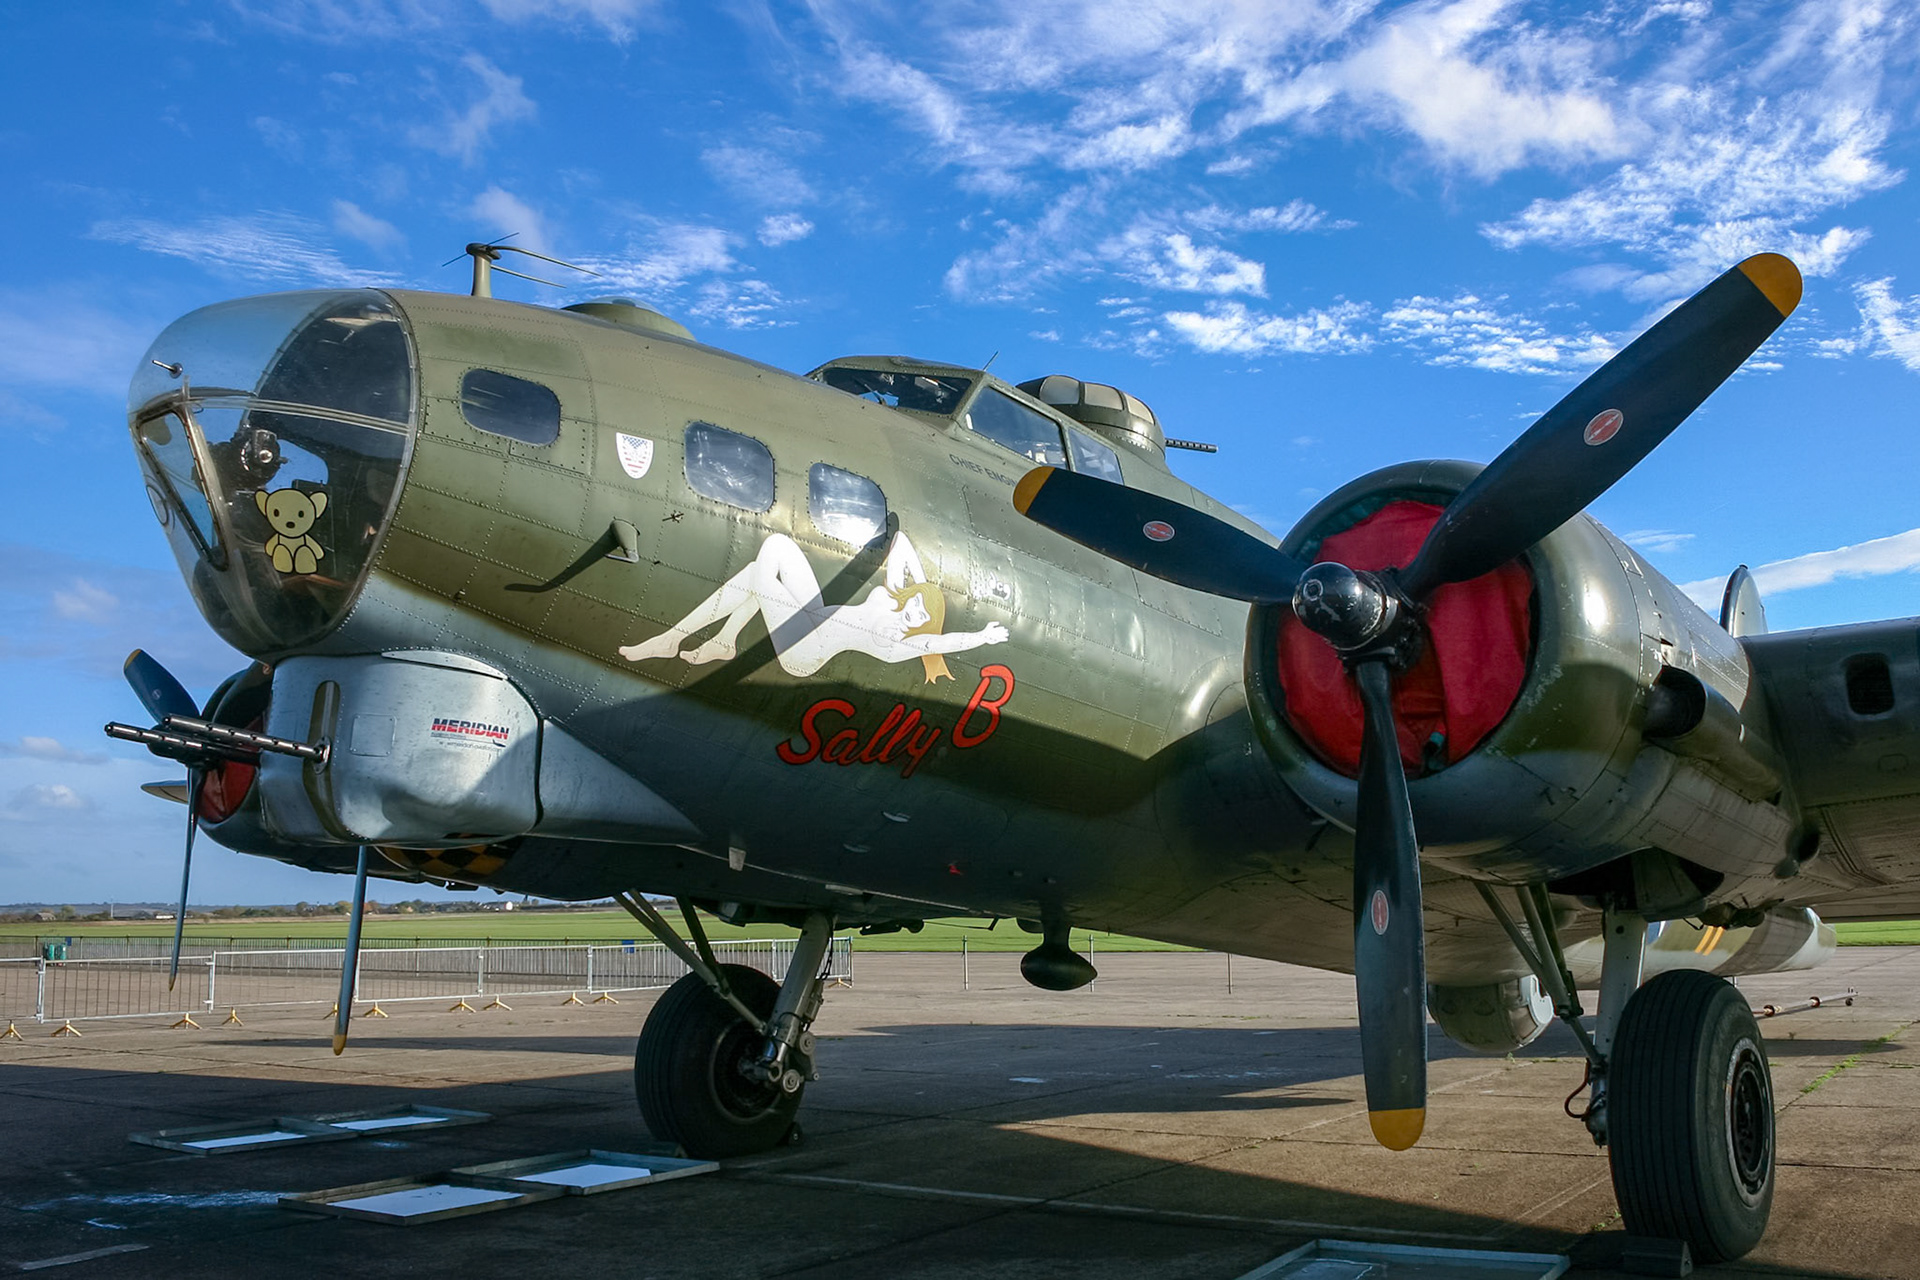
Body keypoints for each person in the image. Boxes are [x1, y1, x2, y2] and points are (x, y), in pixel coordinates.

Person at [618, 530, 1007, 682]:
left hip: (804, 652)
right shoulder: (894, 598)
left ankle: (675, 639)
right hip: (810, 617)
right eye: (917, 603)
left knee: (761, 575)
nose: (916, 613)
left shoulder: (900, 642)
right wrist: (922, 589)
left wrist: (982, 637)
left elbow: (942, 643)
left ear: (925, 626)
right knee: (773, 551)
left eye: (923, 617)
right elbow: (903, 541)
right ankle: (723, 640)